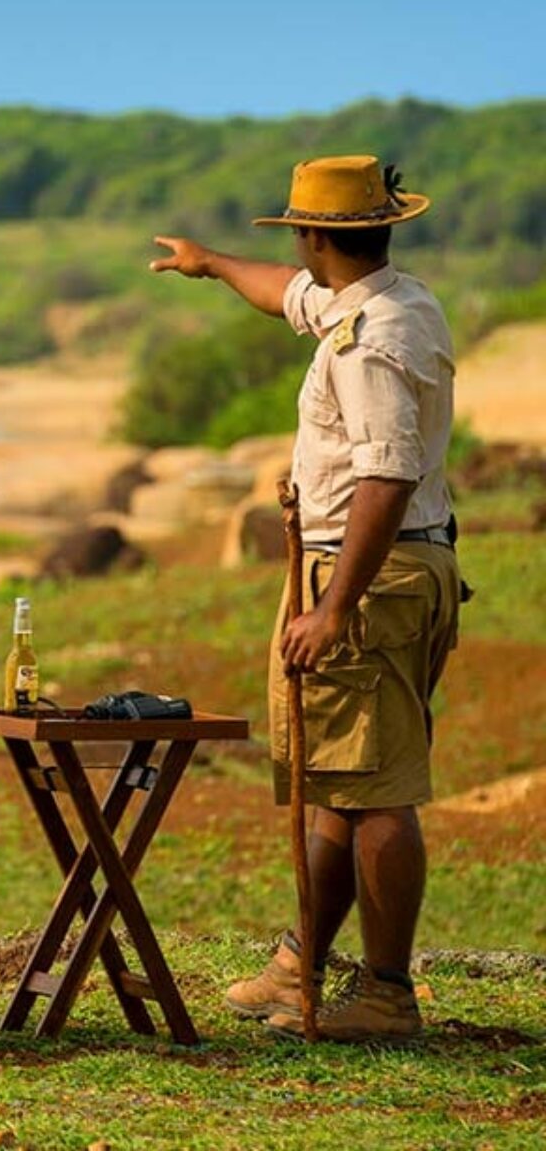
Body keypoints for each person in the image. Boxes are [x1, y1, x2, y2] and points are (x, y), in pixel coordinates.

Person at [150, 155, 460, 1042]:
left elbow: (388, 470)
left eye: (298, 231)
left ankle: (388, 993)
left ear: (315, 232)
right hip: (397, 567)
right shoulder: (396, 300)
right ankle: (302, 966)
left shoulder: (368, 342)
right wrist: (209, 263)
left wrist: (332, 608)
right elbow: (287, 293)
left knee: (375, 788)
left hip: (367, 576)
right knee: (337, 780)